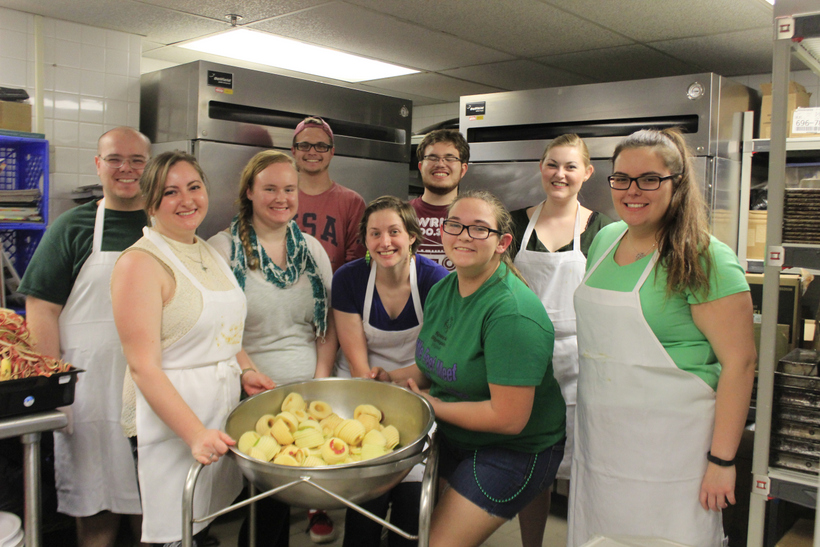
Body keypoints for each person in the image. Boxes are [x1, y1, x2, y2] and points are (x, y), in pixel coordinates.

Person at [568, 128, 756, 547]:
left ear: (677, 183)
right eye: (622, 178)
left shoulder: (705, 257)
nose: (633, 190)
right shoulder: (604, 239)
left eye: (650, 179)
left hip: (676, 452)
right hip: (603, 443)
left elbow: (740, 364)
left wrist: (722, 460)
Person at [371, 190, 566, 547]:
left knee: (437, 543)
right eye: (455, 225)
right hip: (456, 436)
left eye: (479, 229)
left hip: (515, 447)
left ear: (503, 242)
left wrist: (432, 404)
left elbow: (508, 418)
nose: (463, 235)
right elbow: (436, 364)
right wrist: (390, 379)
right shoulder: (443, 290)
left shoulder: (511, 313)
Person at [111, 151, 269, 545]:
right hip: (170, 423)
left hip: (217, 412)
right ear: (150, 203)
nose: (187, 200)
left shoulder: (209, 252)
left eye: (194, 187)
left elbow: (226, 333)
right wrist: (195, 433)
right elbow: (143, 367)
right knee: (173, 532)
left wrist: (246, 370)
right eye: (170, 192)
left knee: (201, 525)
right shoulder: (140, 264)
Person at [19, 126, 149, 547]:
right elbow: (41, 309)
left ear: (150, 167)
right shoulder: (71, 227)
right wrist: (54, 387)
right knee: (96, 508)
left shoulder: (165, 224)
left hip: (150, 388)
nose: (125, 169)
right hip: (88, 390)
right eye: (115, 159)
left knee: (152, 508)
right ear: (99, 165)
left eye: (137, 160)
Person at [208, 149, 337, 544]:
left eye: (289, 188)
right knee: (268, 501)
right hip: (249, 394)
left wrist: (318, 381)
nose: (282, 197)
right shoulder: (222, 249)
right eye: (269, 188)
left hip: (308, 395)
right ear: (249, 191)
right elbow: (217, 328)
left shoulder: (312, 251)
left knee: (287, 498)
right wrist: (248, 371)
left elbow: (327, 327)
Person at [509, 134, 613, 547]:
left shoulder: (602, 229)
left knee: (586, 467)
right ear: (541, 167)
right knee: (534, 468)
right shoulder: (515, 223)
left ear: (587, 173)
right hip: (526, 360)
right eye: (553, 164)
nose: (560, 174)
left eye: (570, 166)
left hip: (584, 361)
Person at [332, 196, 448, 547]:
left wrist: (395, 380)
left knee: (411, 511)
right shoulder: (349, 279)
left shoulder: (436, 280)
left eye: (394, 232)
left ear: (412, 235)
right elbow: (359, 365)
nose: (385, 242)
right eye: (375, 233)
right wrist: (377, 382)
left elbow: (435, 363)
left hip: (417, 388)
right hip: (361, 390)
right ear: (365, 241)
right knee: (368, 500)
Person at [292, 116, 366, 272]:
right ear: (293, 150)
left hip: (334, 294)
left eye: (321, 146)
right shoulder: (280, 199)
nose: (312, 152)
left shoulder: (352, 202)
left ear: (332, 151)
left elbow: (356, 264)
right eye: (304, 145)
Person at [410, 129, 470, 272]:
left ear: (463, 169)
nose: (441, 164)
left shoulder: (477, 217)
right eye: (432, 157)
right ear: (420, 167)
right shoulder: (401, 214)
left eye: (450, 158)